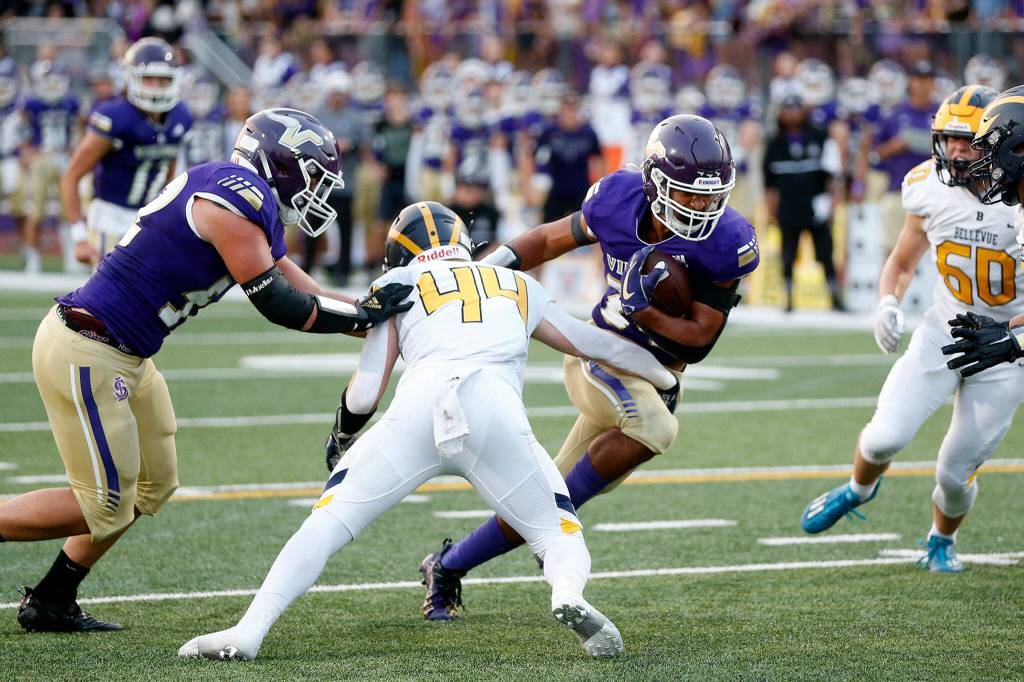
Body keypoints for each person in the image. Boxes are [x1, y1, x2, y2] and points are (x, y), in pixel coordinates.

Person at [178, 201, 681, 662]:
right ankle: (567, 594)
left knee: (326, 523)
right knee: (557, 533)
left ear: (400, 254)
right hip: (494, 408)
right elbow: (594, 345)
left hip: (416, 412)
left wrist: (342, 438)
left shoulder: (396, 286)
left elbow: (364, 394)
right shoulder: (518, 285)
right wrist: (661, 377)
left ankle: (251, 629)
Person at [0, 108, 412, 633]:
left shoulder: (240, 193)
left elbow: (305, 290)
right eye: (312, 175)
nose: (319, 192)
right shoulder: (238, 198)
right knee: (104, 504)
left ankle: (53, 597)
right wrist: (364, 315)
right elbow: (282, 306)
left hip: (125, 353)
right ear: (279, 165)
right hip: (88, 346)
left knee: (154, 485)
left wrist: (378, 317)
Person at [419, 114, 759, 621]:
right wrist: (484, 273)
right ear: (654, 183)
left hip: (660, 373)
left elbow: (701, 340)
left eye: (711, 196)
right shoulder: (618, 199)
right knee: (656, 428)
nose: (702, 206)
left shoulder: (727, 239)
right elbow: (550, 240)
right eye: (688, 194)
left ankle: (447, 564)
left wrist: (646, 309)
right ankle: (554, 523)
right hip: (598, 356)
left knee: (544, 495)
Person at [799, 86, 1024, 573]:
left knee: (954, 471)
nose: (956, 152)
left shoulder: (1018, 201)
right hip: (945, 330)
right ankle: (859, 488)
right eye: (947, 140)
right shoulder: (927, 185)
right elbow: (901, 259)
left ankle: (941, 539)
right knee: (883, 437)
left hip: (1006, 349)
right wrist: (886, 302)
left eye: (966, 141)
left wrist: (1008, 336)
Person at [60, 37, 192, 267]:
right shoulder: (115, 117)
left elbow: (169, 174)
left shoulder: (180, 116)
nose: (156, 86)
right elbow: (71, 176)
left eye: (163, 79)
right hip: (110, 217)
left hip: (150, 217)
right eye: (148, 79)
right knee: (109, 299)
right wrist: (79, 236)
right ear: (131, 78)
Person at [942, 86, 1024, 376]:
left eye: (992, 149)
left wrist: (1015, 342)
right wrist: (1005, 328)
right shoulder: (1020, 211)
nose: (985, 162)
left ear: (1018, 150)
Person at [762, 94, 844, 311]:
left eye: (795, 108)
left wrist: (831, 200)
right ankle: (788, 297)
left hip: (815, 204)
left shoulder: (819, 136)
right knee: (788, 254)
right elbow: (769, 183)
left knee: (825, 252)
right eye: (787, 108)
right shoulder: (774, 143)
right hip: (788, 207)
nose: (791, 113)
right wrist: (771, 211)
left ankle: (834, 296)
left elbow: (832, 172)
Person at [20, 58, 80, 273]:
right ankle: (33, 258)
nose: (53, 86)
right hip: (42, 157)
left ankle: (70, 258)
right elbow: (19, 127)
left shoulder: (71, 102)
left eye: (56, 82)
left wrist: (74, 149)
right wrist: (26, 150)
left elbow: (78, 127)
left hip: (64, 157)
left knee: (68, 210)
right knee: (35, 210)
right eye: (49, 82)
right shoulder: (31, 103)